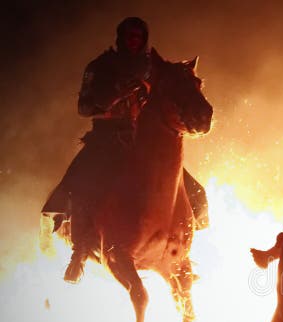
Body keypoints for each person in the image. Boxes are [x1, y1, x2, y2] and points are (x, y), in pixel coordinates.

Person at [42, 17, 208, 284]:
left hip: (143, 139)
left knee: (193, 190)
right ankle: (80, 250)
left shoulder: (153, 69)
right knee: (78, 185)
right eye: (128, 36)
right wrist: (115, 94)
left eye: (138, 36)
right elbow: (84, 107)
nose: (133, 40)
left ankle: (181, 252)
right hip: (106, 139)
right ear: (120, 38)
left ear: (144, 39)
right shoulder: (101, 67)